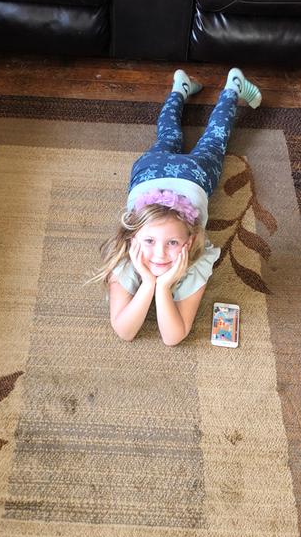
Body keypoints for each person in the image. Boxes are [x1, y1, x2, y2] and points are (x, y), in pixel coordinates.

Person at [92, 68, 262, 346]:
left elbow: (172, 336)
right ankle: (225, 88)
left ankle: (189, 89)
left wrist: (162, 286)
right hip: (160, 172)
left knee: (178, 138)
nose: (159, 254)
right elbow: (129, 331)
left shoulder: (196, 256)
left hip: (174, 172)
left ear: (191, 240)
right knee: (208, 140)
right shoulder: (125, 255)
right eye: (149, 240)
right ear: (131, 237)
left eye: (172, 242)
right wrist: (151, 283)